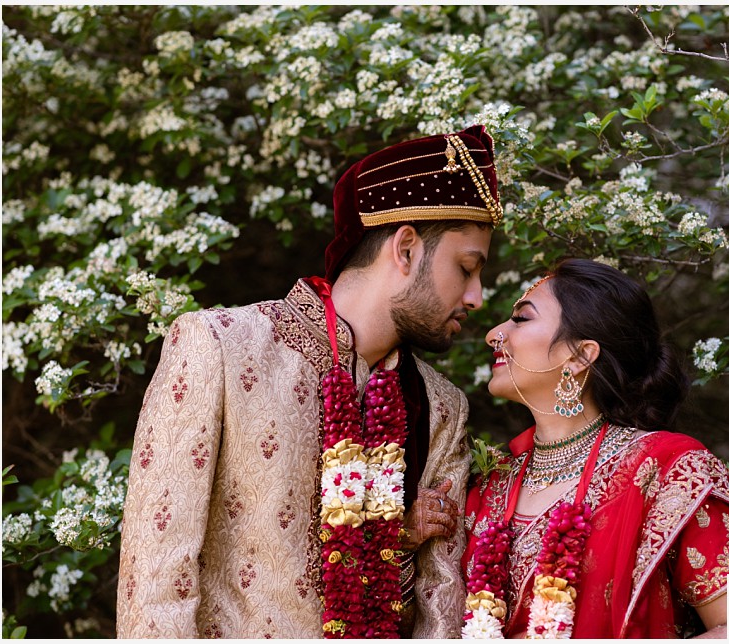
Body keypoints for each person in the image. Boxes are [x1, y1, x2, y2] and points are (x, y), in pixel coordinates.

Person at [117, 125, 503, 638]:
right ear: (406, 249)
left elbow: (441, 610)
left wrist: (396, 541)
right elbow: (156, 576)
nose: (476, 296)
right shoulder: (222, 346)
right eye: (467, 268)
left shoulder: (440, 407)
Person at [461, 258, 729, 639]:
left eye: (521, 319)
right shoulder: (490, 489)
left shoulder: (665, 471)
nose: (494, 334)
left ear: (579, 356)